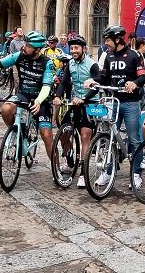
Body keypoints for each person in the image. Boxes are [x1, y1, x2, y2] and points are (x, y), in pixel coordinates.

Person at [0, 31, 60, 172]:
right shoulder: (19, 55)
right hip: (23, 95)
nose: (24, 47)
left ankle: (56, 169)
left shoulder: (47, 63)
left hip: (41, 98)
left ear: (37, 49)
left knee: (46, 135)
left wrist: (39, 101)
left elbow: (46, 86)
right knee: (6, 108)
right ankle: (17, 133)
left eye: (28, 45)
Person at [84, 25, 145, 188]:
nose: (105, 43)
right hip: (113, 102)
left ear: (118, 39)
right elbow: (104, 78)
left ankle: (136, 174)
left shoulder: (134, 55)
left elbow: (143, 78)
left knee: (134, 139)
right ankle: (108, 172)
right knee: (110, 137)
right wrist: (93, 81)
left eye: (108, 40)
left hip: (131, 103)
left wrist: (134, 83)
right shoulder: (108, 56)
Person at [56, 34, 99, 188]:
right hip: (75, 103)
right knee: (63, 132)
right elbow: (64, 82)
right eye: (71, 48)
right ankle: (69, 159)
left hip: (89, 103)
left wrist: (85, 99)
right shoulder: (70, 64)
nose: (73, 51)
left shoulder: (92, 65)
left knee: (85, 136)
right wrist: (57, 96)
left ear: (83, 49)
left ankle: (82, 172)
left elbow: (96, 86)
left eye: (76, 48)